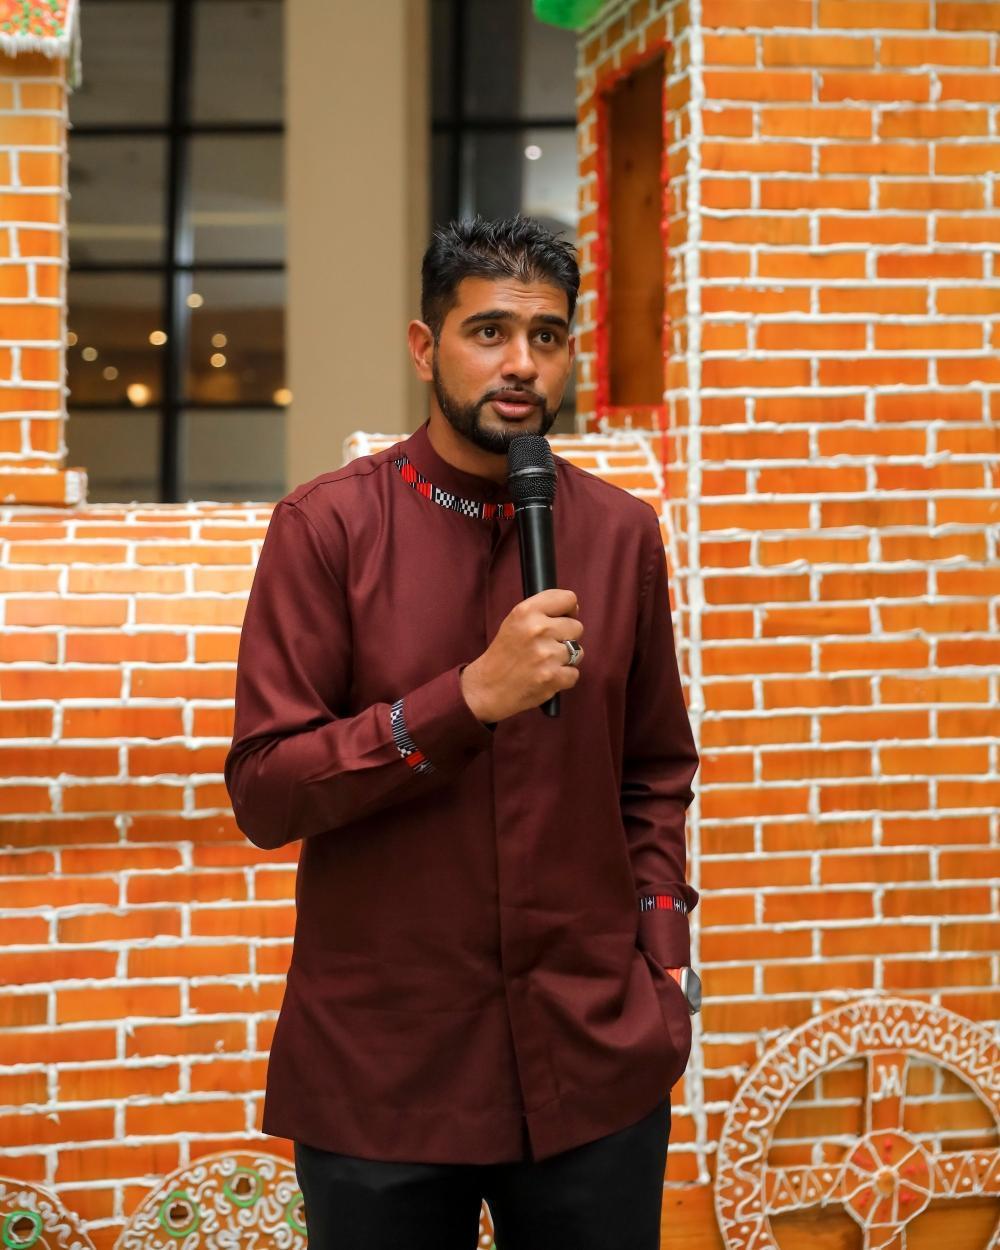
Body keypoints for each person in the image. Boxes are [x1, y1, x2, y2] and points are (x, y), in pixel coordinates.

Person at [224, 215, 701, 1250]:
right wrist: (465, 700)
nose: (521, 362)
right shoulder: (327, 528)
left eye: (547, 335)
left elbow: (655, 765)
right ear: (422, 345)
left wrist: (662, 953)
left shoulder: (619, 532)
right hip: (383, 1076)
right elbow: (265, 789)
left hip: (593, 1059)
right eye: (488, 331)